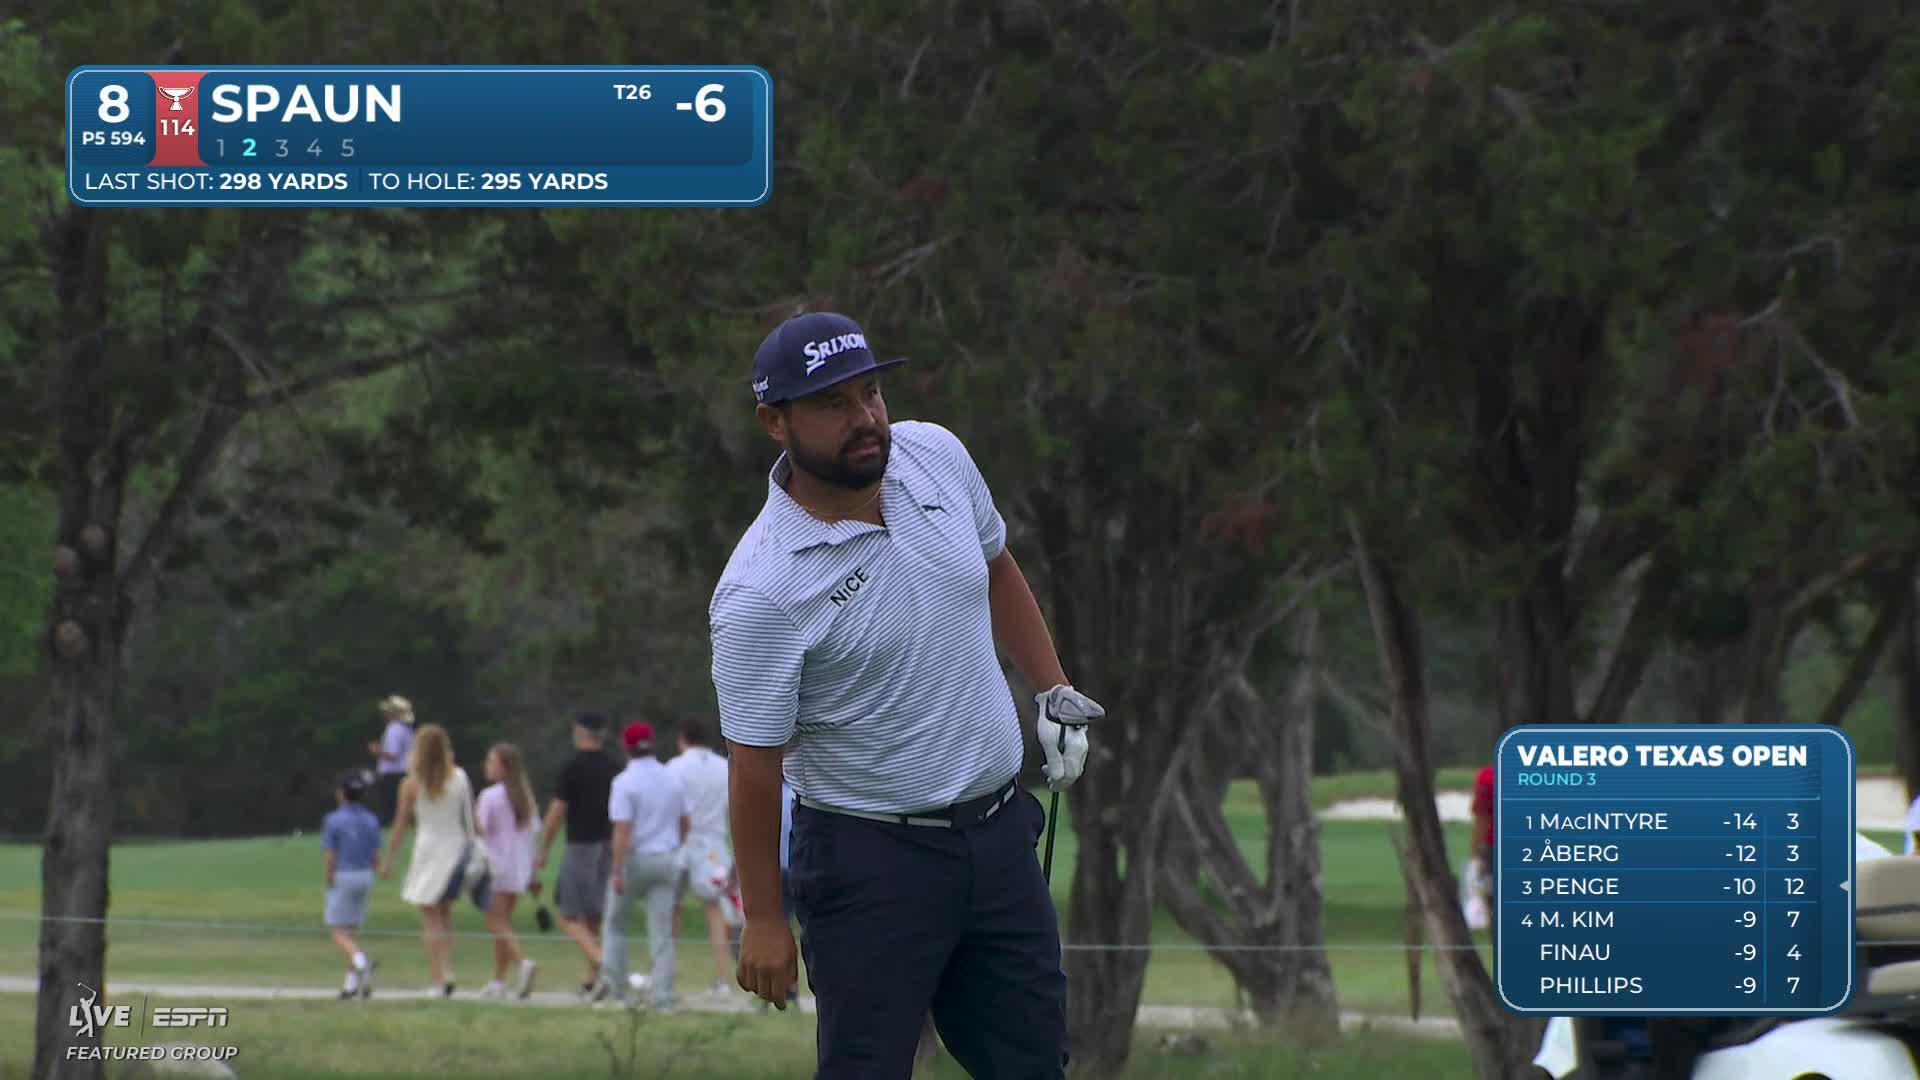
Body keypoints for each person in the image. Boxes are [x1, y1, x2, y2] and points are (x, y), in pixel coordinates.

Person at [710, 311, 1102, 1077]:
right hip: (868, 860)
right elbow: (753, 764)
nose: (865, 421)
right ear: (774, 421)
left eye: (871, 394)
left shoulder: (935, 455)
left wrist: (1052, 688)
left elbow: (995, 567)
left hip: (997, 841)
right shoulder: (761, 587)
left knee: (1033, 1065)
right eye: (833, 405)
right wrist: (764, 917)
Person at [376, 723, 474, 997]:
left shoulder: (410, 784)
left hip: (428, 849)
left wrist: (389, 860)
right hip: (455, 847)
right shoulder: (460, 778)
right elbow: (469, 819)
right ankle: (448, 969)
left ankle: (439, 978)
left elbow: (400, 825)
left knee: (430, 918)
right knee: (444, 914)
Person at [598, 721, 689, 1010]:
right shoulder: (672, 778)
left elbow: (622, 830)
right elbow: (686, 822)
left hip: (635, 859)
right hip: (666, 858)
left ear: (626, 747)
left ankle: (616, 991)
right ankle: (663, 996)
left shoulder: (624, 782)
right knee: (661, 931)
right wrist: (674, 845)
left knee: (615, 924)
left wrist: (616, 869)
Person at [535, 712, 623, 998]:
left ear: (579, 732)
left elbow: (557, 812)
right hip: (609, 846)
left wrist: (543, 849)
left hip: (580, 846)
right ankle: (592, 981)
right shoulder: (614, 766)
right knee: (594, 916)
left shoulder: (571, 767)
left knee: (567, 915)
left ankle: (602, 962)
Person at [666, 717, 738, 997]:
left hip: (680, 841)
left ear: (682, 738)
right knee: (715, 911)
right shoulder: (724, 767)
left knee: (670, 907)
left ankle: (665, 977)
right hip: (713, 845)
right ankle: (721, 980)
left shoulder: (675, 766)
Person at [476, 742, 540, 1000]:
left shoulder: (491, 796)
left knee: (495, 922)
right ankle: (498, 980)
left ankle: (522, 963)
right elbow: (532, 835)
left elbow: (479, 829)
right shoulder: (525, 797)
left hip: (496, 866)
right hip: (519, 868)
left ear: (503, 767)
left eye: (492, 761)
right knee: (503, 925)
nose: (487, 766)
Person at [322, 768, 382, 1000]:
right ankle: (350, 985)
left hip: (343, 875)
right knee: (352, 932)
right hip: (365, 875)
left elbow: (330, 854)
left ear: (341, 794)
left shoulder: (333, 820)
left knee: (339, 933)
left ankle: (361, 961)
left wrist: (328, 878)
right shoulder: (371, 819)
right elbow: (375, 856)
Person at [367, 695, 416, 826]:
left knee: (390, 806)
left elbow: (392, 754)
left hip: (392, 774)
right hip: (404, 771)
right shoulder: (406, 729)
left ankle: (393, 826)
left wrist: (377, 750)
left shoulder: (393, 729)